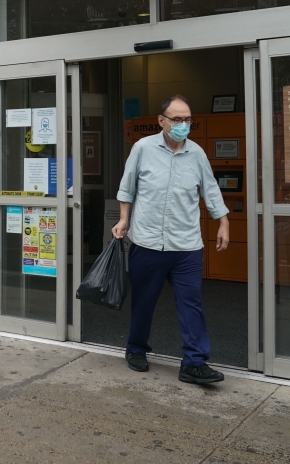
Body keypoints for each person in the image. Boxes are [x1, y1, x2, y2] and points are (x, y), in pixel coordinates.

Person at [111, 95, 229, 384]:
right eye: (177, 119)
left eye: (187, 119)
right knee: (144, 302)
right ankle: (136, 349)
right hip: (147, 242)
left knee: (191, 304)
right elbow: (128, 187)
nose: (183, 124)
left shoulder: (197, 153)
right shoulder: (143, 148)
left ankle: (194, 362)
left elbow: (211, 191)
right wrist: (124, 219)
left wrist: (223, 221)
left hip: (186, 245)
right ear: (161, 121)